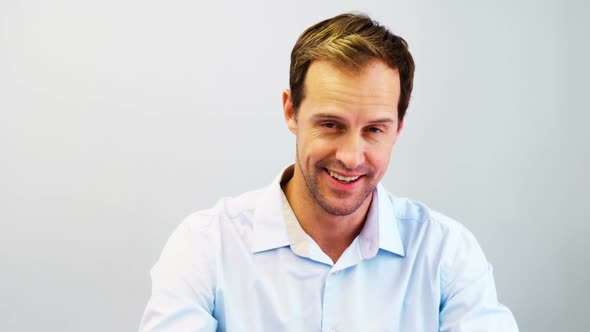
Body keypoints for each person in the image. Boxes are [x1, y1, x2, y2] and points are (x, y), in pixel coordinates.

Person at [139, 13, 519, 332]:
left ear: (399, 128)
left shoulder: (446, 254)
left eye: (374, 129)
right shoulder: (206, 246)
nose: (352, 157)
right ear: (291, 111)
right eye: (331, 124)